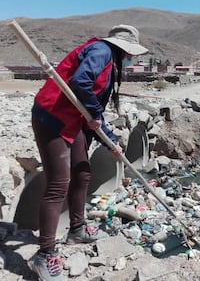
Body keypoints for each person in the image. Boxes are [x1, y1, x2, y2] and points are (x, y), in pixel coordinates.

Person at [28, 25, 148, 281]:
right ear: (124, 48)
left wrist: (111, 142)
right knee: (59, 182)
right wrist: (94, 115)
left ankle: (77, 230)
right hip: (52, 117)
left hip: (74, 119)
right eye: (130, 54)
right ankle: (44, 254)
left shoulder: (111, 60)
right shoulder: (101, 51)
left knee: (82, 172)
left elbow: (93, 110)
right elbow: (80, 82)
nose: (130, 58)